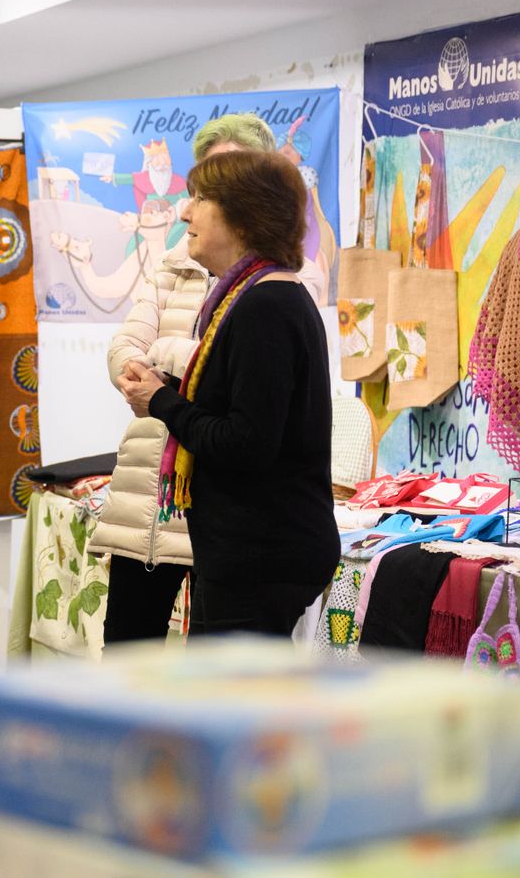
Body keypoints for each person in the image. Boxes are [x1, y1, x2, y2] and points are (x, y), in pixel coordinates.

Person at [116, 150, 338, 637]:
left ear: (244, 215)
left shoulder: (266, 306)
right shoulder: (256, 297)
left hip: (261, 556)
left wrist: (161, 402)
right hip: (255, 553)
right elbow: (241, 412)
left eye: (200, 199)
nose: (184, 212)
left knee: (237, 708)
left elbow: (245, 443)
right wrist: (167, 391)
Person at [91, 113, 276, 646]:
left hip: (221, 506)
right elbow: (125, 346)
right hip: (149, 497)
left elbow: (238, 373)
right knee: (129, 664)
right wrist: (138, 377)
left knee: (211, 679)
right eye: (201, 183)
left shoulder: (277, 281)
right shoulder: (174, 264)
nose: (198, 202)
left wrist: (165, 376)